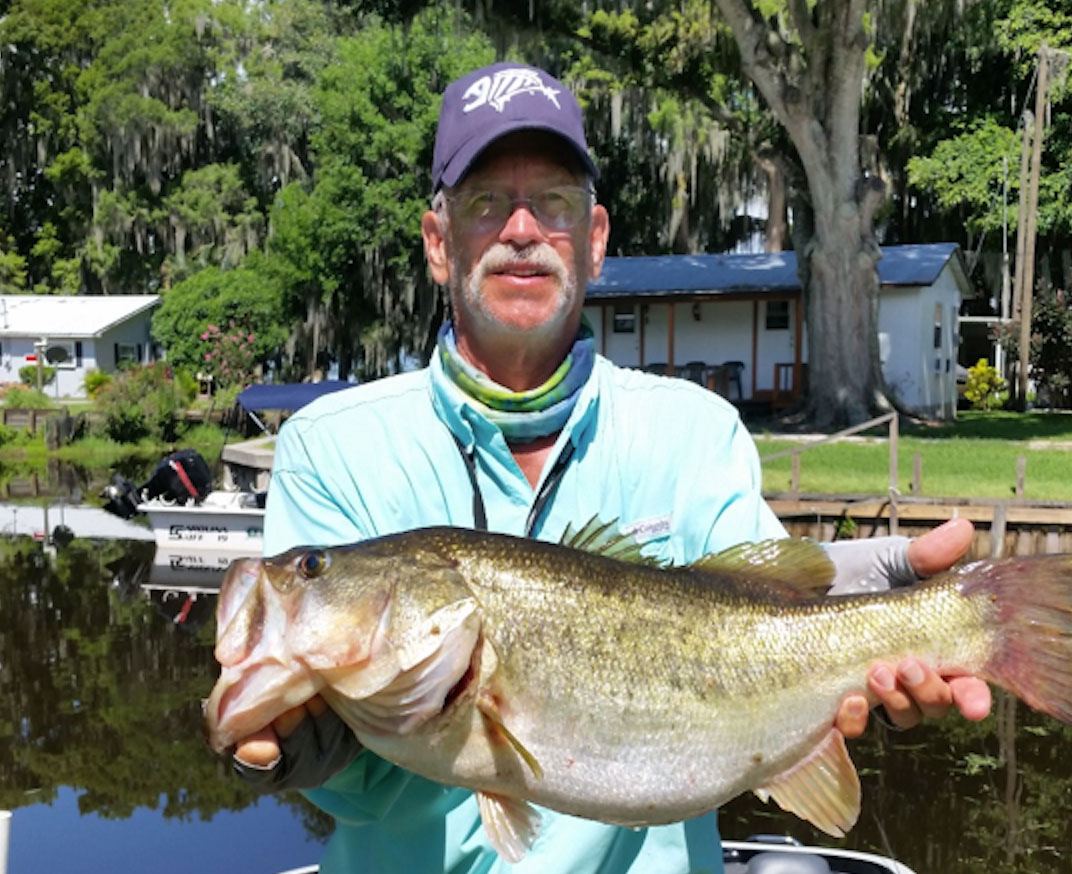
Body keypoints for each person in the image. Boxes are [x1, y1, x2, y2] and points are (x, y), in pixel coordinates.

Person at [231, 62, 991, 873]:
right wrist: (314, 747)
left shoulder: (693, 430)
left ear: (592, 241)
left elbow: (772, 601)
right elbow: (355, 787)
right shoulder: (330, 446)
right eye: (486, 203)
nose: (521, 228)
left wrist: (891, 601)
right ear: (437, 244)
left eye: (552, 202)